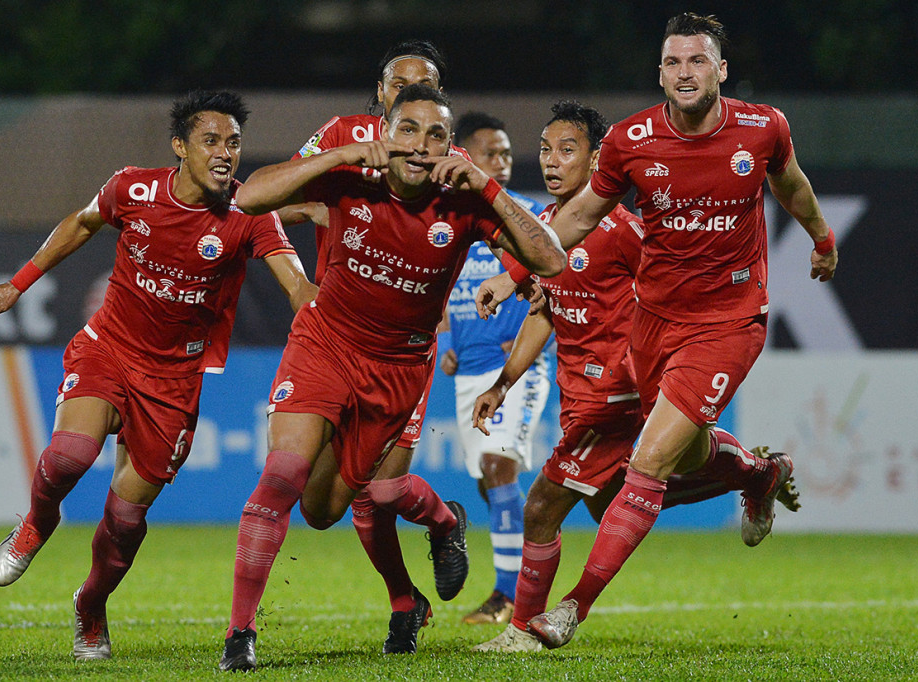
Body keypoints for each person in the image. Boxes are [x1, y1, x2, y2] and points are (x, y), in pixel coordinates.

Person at [476, 14, 837, 650]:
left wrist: (821, 236)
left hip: (728, 322)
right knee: (681, 459)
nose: (685, 73)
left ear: (720, 70)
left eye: (698, 61)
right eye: (673, 63)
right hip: (655, 325)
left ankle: (565, 615)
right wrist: (514, 272)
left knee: (646, 465)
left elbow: (791, 183)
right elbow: (583, 211)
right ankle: (754, 473)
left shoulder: (763, 127)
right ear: (661, 73)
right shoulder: (631, 138)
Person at [218, 84, 566, 671]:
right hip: (325, 343)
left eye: (436, 135)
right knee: (282, 474)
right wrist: (336, 156)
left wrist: (488, 187)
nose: (421, 146)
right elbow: (250, 199)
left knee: (327, 509)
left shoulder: (464, 201)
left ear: (449, 146)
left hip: (398, 369)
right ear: (384, 129)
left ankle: (442, 518)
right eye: (408, 129)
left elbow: (551, 260)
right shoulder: (350, 178)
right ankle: (239, 634)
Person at [0, 90, 317, 661]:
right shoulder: (133, 188)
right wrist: (19, 282)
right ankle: (35, 524)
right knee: (68, 457)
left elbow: (296, 283)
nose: (225, 153)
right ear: (179, 147)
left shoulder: (249, 214)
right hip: (108, 349)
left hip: (174, 383)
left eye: (234, 142)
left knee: (125, 519)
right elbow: (83, 224)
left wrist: (324, 311)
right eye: (211, 141)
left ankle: (91, 604)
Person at [287, 38, 479, 653]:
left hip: (402, 354)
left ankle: (443, 524)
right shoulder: (345, 136)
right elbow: (275, 192)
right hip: (336, 340)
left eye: (423, 85)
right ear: (380, 95)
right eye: (399, 85)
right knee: (326, 503)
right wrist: (310, 214)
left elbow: (479, 231)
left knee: (384, 490)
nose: (409, 94)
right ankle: (407, 599)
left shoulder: (446, 161)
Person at [441, 111, 551, 625]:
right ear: (463, 157)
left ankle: (508, 596)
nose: (502, 163)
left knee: (496, 469)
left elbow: (554, 279)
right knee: (491, 484)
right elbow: (441, 289)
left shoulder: (529, 217)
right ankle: (526, 565)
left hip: (518, 371)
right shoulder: (452, 225)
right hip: (468, 376)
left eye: (506, 153)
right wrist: (443, 337)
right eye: (491, 153)